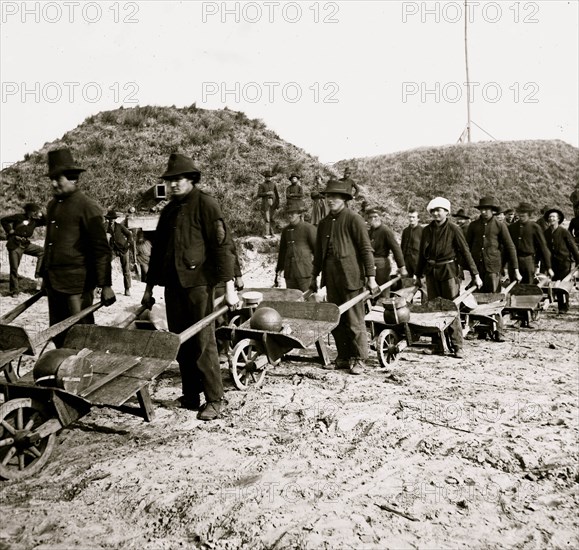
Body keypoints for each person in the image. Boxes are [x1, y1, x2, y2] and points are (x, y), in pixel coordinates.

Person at [141, 153, 238, 421]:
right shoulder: (169, 210)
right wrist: (149, 289)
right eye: (169, 180)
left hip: (199, 286)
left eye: (178, 179)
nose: (173, 185)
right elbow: (158, 252)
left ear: (191, 179)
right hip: (174, 286)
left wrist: (229, 287)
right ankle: (191, 394)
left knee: (203, 342)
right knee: (181, 340)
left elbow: (222, 248)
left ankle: (215, 400)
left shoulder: (206, 205)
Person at [42, 148, 116, 347]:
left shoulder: (87, 206)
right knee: (58, 332)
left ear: (73, 178)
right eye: (52, 178)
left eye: (58, 178)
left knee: (80, 332)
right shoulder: (52, 206)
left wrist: (105, 285)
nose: (53, 183)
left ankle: (83, 371)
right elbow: (50, 243)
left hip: (77, 284)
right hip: (54, 282)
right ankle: (63, 369)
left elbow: (101, 249)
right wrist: (45, 276)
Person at [310, 179, 377, 375]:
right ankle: (344, 356)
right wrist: (314, 277)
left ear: (345, 199)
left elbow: (365, 250)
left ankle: (359, 359)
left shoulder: (353, 219)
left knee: (354, 321)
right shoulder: (323, 224)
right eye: (328, 196)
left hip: (351, 277)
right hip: (331, 278)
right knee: (336, 319)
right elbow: (319, 254)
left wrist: (371, 277)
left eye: (335, 197)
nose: (330, 200)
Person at [415, 197, 482, 358]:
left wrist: (476, 275)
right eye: (433, 211)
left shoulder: (453, 229)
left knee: (452, 308)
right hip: (432, 272)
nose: (436, 213)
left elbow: (465, 252)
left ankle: (457, 345)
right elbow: (421, 256)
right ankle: (436, 344)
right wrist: (418, 275)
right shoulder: (426, 230)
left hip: (449, 272)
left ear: (447, 212)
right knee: (433, 308)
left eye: (440, 210)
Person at [466, 196, 522, 341]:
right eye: (482, 209)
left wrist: (515, 269)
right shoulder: (474, 226)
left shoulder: (499, 225)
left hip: (493, 267)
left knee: (494, 299)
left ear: (492, 211)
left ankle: (499, 331)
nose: (484, 212)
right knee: (477, 299)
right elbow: (466, 247)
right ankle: (480, 329)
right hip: (478, 269)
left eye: (487, 209)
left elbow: (510, 247)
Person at [1, 203, 45, 296]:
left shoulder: (35, 221)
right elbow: (3, 220)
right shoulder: (18, 217)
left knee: (42, 251)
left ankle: (38, 273)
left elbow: (46, 220)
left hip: (25, 244)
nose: (36, 214)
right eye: (35, 212)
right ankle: (14, 291)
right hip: (15, 244)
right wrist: (9, 230)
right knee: (14, 269)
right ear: (29, 212)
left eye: (36, 212)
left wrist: (42, 214)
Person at [365, 207, 407, 301]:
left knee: (383, 287)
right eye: (370, 218)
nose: (373, 219)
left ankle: (385, 303)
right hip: (370, 262)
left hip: (382, 262)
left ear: (380, 217)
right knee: (370, 287)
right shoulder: (369, 231)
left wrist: (402, 267)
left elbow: (396, 249)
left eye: (375, 217)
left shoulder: (385, 231)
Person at [543, 207, 579, 312]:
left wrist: (578, 261)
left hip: (564, 262)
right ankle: (555, 302)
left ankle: (563, 306)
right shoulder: (546, 233)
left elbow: (572, 247)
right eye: (550, 217)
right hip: (552, 263)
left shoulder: (564, 232)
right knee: (554, 284)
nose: (551, 219)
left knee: (562, 286)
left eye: (554, 217)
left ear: (558, 219)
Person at [508, 202, 553, 285]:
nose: (521, 218)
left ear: (529, 215)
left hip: (528, 261)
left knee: (528, 287)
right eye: (519, 215)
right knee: (514, 287)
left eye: (523, 216)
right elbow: (506, 247)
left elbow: (543, 247)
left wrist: (548, 267)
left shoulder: (535, 227)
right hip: (514, 262)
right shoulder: (512, 228)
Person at [275, 199, 316, 292]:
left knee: (309, 300)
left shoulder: (308, 228)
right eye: (288, 213)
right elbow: (282, 252)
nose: (290, 215)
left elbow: (318, 251)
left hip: (305, 273)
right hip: (289, 274)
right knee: (293, 300)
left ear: (299, 214)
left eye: (292, 213)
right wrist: (278, 271)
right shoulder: (285, 231)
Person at [105, 210, 134, 296]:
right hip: (113, 250)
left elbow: (129, 234)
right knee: (106, 266)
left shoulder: (120, 226)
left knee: (126, 269)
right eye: (110, 219)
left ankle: (127, 288)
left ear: (115, 219)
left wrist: (128, 243)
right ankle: (106, 288)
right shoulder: (106, 227)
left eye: (113, 218)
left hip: (123, 249)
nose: (112, 220)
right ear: (108, 219)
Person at [400, 208, 423, 278]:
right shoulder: (405, 231)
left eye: (413, 217)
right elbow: (402, 246)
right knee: (407, 282)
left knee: (420, 283)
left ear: (418, 219)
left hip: (418, 261)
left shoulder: (423, 231)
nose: (411, 219)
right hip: (406, 261)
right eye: (410, 217)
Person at [257, 171, 279, 238]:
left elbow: (277, 194)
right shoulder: (262, 185)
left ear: (271, 177)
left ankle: (272, 233)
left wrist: (277, 203)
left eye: (269, 177)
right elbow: (259, 194)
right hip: (265, 203)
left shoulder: (273, 184)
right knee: (267, 219)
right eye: (267, 177)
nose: (268, 178)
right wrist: (267, 193)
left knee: (272, 218)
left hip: (273, 203)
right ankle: (266, 234)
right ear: (265, 177)